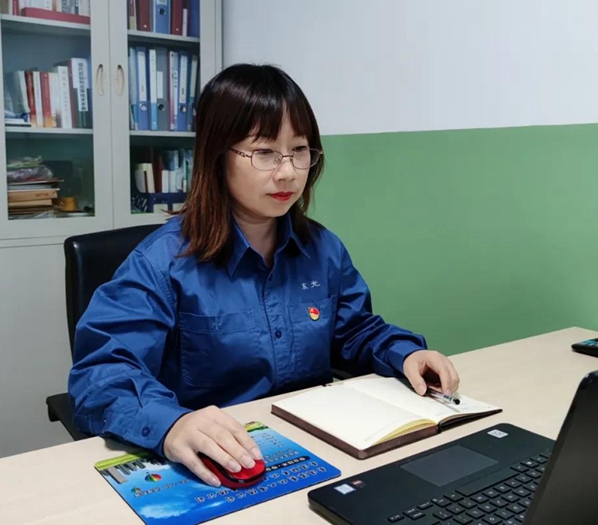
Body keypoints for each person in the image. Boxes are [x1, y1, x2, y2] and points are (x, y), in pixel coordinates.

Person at [68, 64, 460, 488]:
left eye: (299, 150)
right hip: (217, 465)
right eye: (265, 152)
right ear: (218, 156)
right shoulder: (162, 262)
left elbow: (353, 332)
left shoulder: (323, 250)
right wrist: (171, 424)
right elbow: (101, 373)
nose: (288, 172)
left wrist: (404, 354)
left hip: (319, 451)